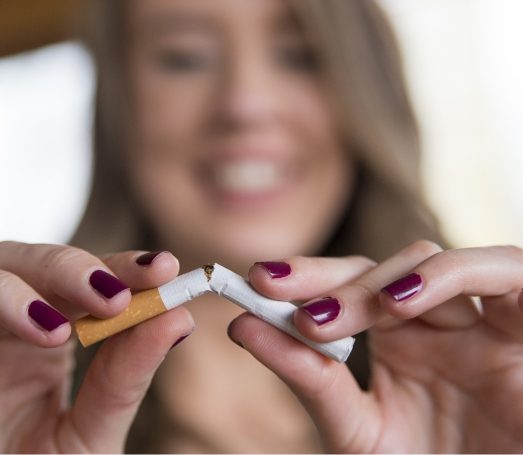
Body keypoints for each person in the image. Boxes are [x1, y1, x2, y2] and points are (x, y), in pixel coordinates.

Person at [1, 0, 522, 452]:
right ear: (119, 104)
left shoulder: (479, 381)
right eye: (185, 57)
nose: (245, 105)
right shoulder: (27, 401)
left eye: (302, 55)